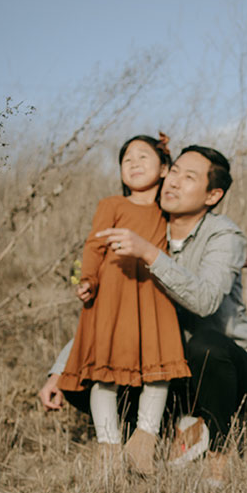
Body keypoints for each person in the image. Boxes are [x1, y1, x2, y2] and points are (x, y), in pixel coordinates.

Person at [41, 145, 247, 478]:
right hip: (166, 367)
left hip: (226, 372)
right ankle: (173, 428)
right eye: (174, 171)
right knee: (87, 380)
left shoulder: (224, 236)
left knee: (204, 344)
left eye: (189, 177)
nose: (173, 182)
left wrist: (148, 253)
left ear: (212, 194)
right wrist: (59, 371)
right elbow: (110, 314)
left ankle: (218, 458)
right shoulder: (147, 225)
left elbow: (205, 301)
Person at [55, 134, 190, 473]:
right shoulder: (112, 205)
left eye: (143, 156)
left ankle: (145, 438)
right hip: (112, 298)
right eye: (126, 158)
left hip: (152, 297)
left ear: (163, 169)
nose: (133, 163)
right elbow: (94, 247)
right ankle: (109, 445)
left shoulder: (168, 210)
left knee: (158, 369)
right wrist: (87, 280)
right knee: (105, 372)